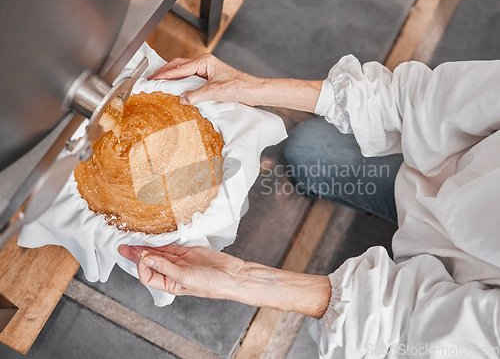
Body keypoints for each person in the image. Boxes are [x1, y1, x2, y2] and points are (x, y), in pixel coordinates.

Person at [119, 54, 500, 358]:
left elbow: (409, 329)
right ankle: (410, 216)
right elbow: (427, 100)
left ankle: (411, 248)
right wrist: (252, 86)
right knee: (308, 152)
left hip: (461, 288)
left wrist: (241, 279)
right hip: (446, 177)